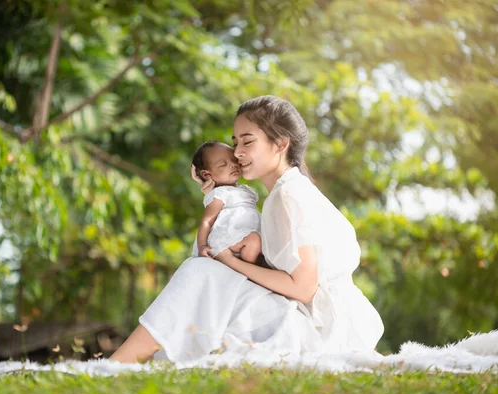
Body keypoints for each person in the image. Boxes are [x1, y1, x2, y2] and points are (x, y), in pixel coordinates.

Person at [110, 95, 384, 363]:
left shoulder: (289, 195)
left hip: (315, 330)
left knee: (200, 272)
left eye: (248, 142)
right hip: (307, 317)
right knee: (205, 273)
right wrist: (216, 189)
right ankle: (118, 363)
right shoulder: (283, 192)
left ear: (280, 143)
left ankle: (114, 365)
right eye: (235, 142)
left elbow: (304, 289)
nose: (237, 152)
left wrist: (230, 261)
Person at [191, 141, 261, 262]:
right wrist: (202, 246)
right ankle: (249, 270)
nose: (232, 165)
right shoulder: (220, 194)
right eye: (223, 164)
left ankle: (250, 265)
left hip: (246, 235)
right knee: (253, 239)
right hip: (227, 237)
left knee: (259, 240)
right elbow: (207, 221)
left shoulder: (244, 190)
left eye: (234, 160)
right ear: (207, 175)